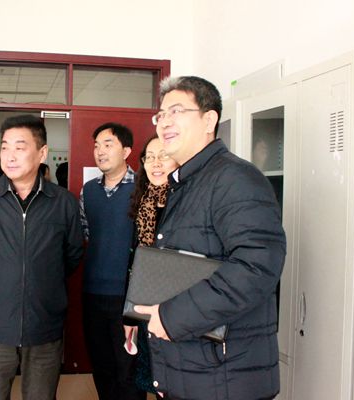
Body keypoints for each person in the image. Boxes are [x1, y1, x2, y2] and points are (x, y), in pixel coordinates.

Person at [134, 76, 286, 400]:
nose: (165, 122)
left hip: (224, 376)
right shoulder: (185, 182)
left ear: (209, 120)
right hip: (195, 369)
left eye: (177, 111)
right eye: (161, 114)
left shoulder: (235, 178)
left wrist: (172, 318)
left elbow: (257, 267)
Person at [0, 114, 84, 400]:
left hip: (44, 325)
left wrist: (41, 278)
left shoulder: (63, 202)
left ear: (42, 153)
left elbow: (72, 254)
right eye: (5, 147)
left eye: (20, 147)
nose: (10, 156)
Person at [79, 122, 145, 400]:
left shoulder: (143, 188)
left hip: (128, 297)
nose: (100, 151)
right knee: (102, 366)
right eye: (97, 146)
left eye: (108, 144)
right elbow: (86, 233)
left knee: (128, 370)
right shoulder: (88, 190)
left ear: (126, 151)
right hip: (93, 293)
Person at [126, 136, 178, 398]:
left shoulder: (186, 201)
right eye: (150, 157)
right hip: (147, 308)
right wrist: (130, 315)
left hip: (180, 309)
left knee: (178, 383)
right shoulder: (143, 203)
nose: (156, 163)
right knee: (156, 382)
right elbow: (137, 263)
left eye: (163, 156)